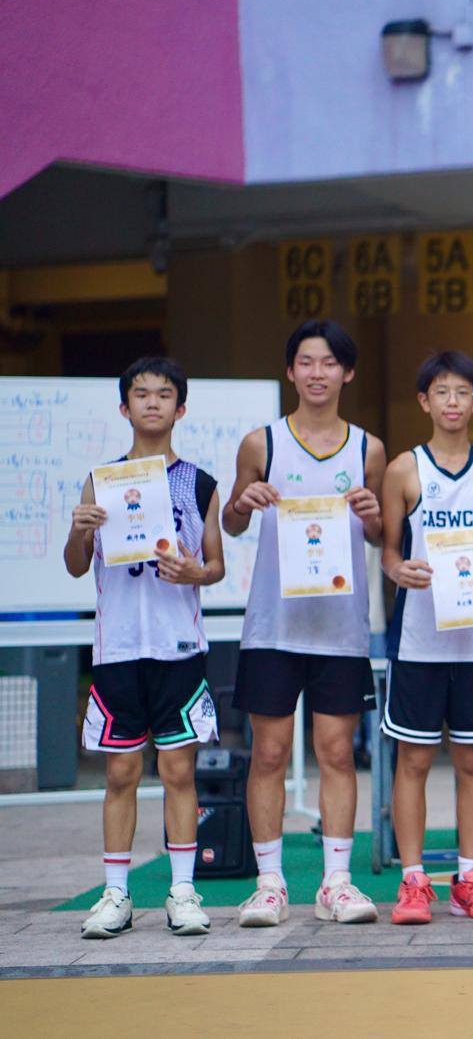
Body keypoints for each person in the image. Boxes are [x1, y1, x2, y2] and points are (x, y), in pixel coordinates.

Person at [226, 320, 386, 926]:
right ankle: (269, 884)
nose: (318, 373)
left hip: (340, 628)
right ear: (290, 371)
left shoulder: (368, 449)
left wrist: (373, 516)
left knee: (337, 752)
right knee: (268, 753)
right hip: (273, 626)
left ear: (348, 372)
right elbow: (233, 523)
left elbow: (382, 534)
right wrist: (242, 503)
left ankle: (336, 883)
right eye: (306, 362)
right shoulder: (260, 443)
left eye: (329, 363)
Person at [69, 358, 225, 938]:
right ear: (124, 407)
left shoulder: (200, 483)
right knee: (120, 772)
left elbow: (215, 565)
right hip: (118, 648)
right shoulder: (101, 480)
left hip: (178, 646)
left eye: (164, 394)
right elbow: (75, 565)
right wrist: (79, 529)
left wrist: (194, 572)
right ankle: (116, 894)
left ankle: (182, 891)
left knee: (179, 769)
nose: (153, 402)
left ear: (180, 408)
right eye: (141, 394)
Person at [381, 351, 473, 924]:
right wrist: (399, 570)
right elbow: (388, 552)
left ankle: (470, 878)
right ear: (424, 401)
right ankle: (413, 881)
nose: (452, 402)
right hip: (419, 638)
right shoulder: (403, 469)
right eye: (441, 391)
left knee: (472, 760)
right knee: (413, 760)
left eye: (462, 392)